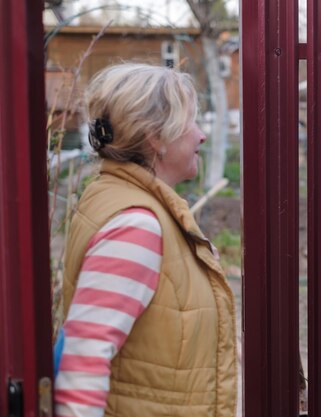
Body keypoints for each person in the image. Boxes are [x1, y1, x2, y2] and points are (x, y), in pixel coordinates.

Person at [53, 63, 237, 417]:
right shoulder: (136, 225)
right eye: (191, 122)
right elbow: (83, 362)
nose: (201, 135)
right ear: (156, 136)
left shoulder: (117, 195)